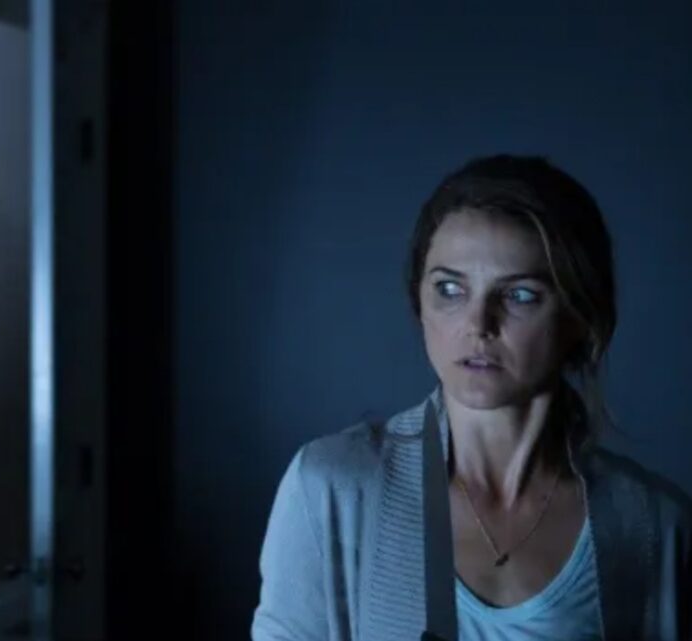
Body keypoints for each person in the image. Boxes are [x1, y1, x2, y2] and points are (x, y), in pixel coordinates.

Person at [251, 155, 692, 641]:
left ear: (580, 317)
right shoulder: (333, 488)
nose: (478, 325)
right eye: (450, 289)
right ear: (419, 301)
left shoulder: (655, 525)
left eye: (519, 295)